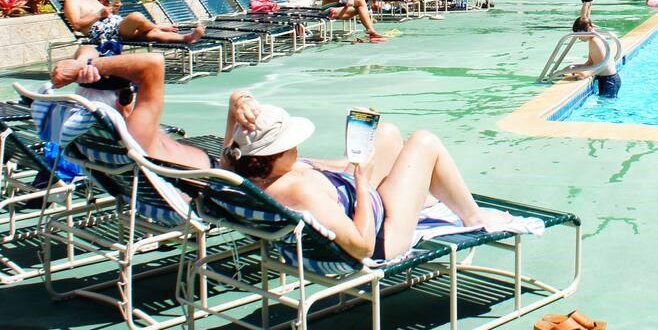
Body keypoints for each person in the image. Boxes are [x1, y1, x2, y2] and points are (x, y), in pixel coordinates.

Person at [223, 98, 529, 262]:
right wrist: (361, 180)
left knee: (387, 134)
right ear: (279, 152)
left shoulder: (246, 173)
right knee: (424, 141)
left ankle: (424, 194)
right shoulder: (302, 192)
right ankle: (472, 216)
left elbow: (228, 152)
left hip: (365, 204)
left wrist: (237, 103)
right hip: (384, 237)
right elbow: (362, 247)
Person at [46, 48, 255, 169]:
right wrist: (237, 100)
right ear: (126, 97)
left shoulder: (86, 129)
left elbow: (88, 47)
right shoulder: (136, 133)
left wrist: (82, 63)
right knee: (241, 103)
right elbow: (153, 64)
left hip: (172, 186)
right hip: (214, 183)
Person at [62, 0, 205, 52]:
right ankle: (159, 26)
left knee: (151, 33)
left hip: (116, 27)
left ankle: (187, 38)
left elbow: (107, 15)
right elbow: (77, 25)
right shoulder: (71, 1)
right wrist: (99, 13)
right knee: (136, 16)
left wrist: (113, 10)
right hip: (102, 34)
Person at [561, 15, 620, 97]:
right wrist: (572, 68)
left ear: (588, 30)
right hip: (609, 79)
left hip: (609, 81)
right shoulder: (593, 39)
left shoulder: (595, 41)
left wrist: (585, 74)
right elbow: (590, 63)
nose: (578, 38)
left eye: (579, 34)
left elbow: (603, 65)